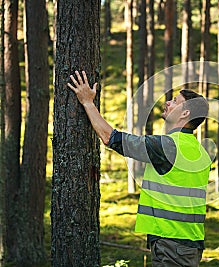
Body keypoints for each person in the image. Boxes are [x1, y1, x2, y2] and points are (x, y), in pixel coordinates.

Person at [68, 71, 211, 267]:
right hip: (189, 243)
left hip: (171, 244)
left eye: (175, 101)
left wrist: (87, 103)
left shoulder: (169, 146)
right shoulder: (199, 151)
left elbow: (112, 138)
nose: (168, 102)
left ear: (185, 113)